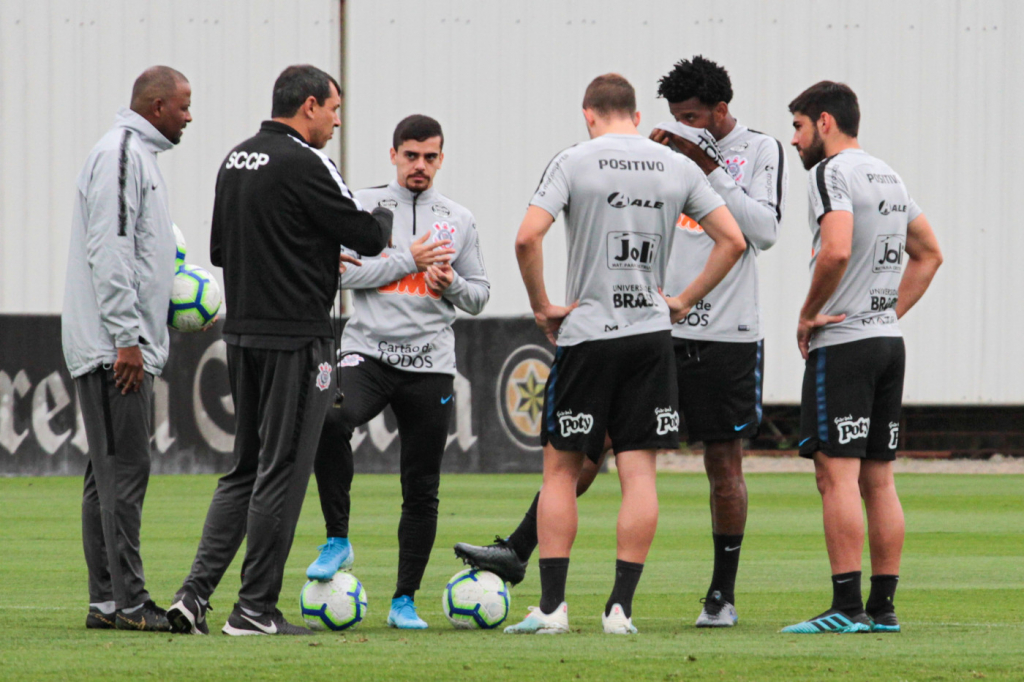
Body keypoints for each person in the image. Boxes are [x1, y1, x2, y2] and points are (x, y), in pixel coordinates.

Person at [455, 56, 787, 629]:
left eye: (692, 115)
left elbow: (527, 237)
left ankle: (561, 607)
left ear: (588, 115)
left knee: (573, 466)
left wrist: (541, 306)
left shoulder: (579, 159)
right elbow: (730, 241)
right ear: (637, 115)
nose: (684, 124)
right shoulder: (670, 161)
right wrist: (677, 301)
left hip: (623, 331)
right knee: (633, 470)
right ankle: (615, 607)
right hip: (655, 331)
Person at [165, 65, 393, 636]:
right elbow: (369, 235)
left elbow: (220, 248)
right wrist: (383, 211)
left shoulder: (235, 158)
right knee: (283, 472)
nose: (337, 121)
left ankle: (193, 596)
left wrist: (309, 252)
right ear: (309, 105)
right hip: (298, 341)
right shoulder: (307, 161)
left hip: (241, 336)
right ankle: (254, 610)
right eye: (334, 109)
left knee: (244, 469)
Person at [305, 114, 490, 629]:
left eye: (430, 157)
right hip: (369, 352)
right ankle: (338, 539)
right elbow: (345, 273)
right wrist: (408, 260)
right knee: (330, 415)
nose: (420, 166)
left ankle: (403, 599)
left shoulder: (459, 218)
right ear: (393, 155)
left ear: (441, 159)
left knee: (422, 485)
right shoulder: (364, 206)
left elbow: (479, 295)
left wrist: (450, 281)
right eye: (411, 155)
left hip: (430, 365)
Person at [781, 82, 942, 634]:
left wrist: (809, 313)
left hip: (845, 346)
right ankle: (882, 608)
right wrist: (885, 312)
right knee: (880, 478)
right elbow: (930, 253)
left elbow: (838, 247)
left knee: (836, 475)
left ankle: (845, 607)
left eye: (798, 126)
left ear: (825, 122)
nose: (795, 139)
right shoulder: (887, 173)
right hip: (886, 342)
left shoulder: (831, 173)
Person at [62, 66, 193, 632]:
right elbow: (110, 249)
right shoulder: (120, 155)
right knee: (125, 471)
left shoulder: (139, 157)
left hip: (119, 342)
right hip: (114, 349)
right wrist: (127, 340)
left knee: (108, 474)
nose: (191, 115)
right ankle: (132, 604)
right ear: (157, 105)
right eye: (185, 105)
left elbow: (140, 252)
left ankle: (109, 602)